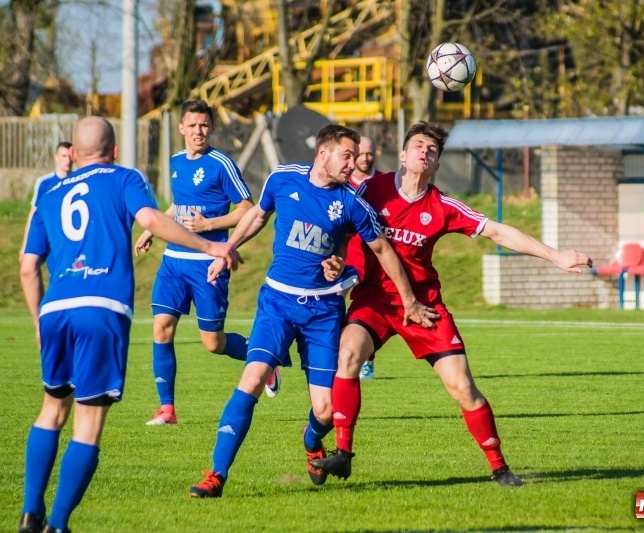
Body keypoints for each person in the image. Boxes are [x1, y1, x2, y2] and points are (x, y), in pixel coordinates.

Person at [312, 122, 593, 487]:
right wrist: (333, 259)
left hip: (424, 307)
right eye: (417, 146)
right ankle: (343, 454)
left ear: (437, 164)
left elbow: (497, 231)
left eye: (432, 150)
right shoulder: (369, 190)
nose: (424, 152)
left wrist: (555, 256)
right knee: (348, 355)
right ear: (402, 154)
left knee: (462, 386)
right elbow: (337, 219)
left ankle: (499, 467)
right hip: (375, 302)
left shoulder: (441, 206)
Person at [18, 117, 240, 533]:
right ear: (114, 151)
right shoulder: (123, 177)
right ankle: (59, 525)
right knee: (88, 422)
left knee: (51, 410)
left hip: (54, 310)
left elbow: (28, 266)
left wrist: (37, 322)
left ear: (74, 155)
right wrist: (213, 244)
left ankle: (30, 514)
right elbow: (153, 220)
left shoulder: (49, 192)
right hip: (101, 306)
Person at [187, 124, 435, 497]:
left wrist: (405, 298)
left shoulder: (352, 204)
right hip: (277, 302)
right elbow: (257, 215)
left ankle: (310, 439)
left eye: (355, 156)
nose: (352, 164)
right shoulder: (283, 178)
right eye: (346, 155)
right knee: (252, 379)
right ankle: (216, 475)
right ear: (324, 153)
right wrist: (226, 249)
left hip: (322, 313)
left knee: (325, 410)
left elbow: (383, 252)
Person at [134, 100, 262, 426]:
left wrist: (208, 225)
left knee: (212, 343)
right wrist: (152, 229)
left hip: (209, 263)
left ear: (212, 128)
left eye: (204, 125)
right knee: (162, 327)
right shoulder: (176, 162)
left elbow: (247, 209)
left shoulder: (221, 163)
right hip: (174, 261)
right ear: (181, 128)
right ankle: (167, 409)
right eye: (192, 126)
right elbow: (179, 205)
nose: (198, 132)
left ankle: (263, 359)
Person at [350, 135, 379, 380]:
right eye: (361, 154)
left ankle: (367, 360)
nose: (366, 158)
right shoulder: (342, 182)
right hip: (348, 257)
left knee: (369, 309)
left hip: (377, 260)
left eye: (370, 154)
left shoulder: (384, 183)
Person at [19, 141, 74, 261]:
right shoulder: (44, 183)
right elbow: (34, 214)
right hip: (52, 237)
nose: (68, 160)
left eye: (70, 156)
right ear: (56, 157)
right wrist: (25, 246)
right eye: (64, 156)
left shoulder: (79, 181)